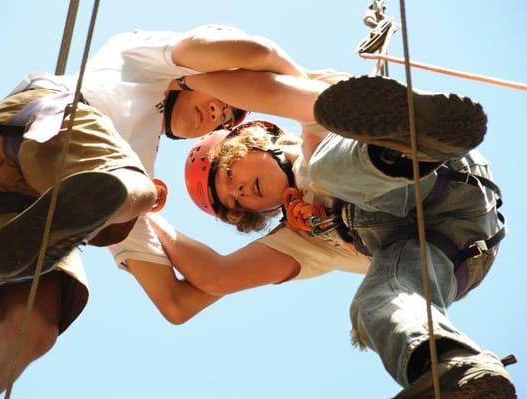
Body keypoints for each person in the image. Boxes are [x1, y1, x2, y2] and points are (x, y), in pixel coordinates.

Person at [0, 25, 306, 399]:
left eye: (225, 118)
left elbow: (175, 304)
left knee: (35, 326)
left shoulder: (136, 172)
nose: (217, 112)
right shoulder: (147, 64)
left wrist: (276, 243)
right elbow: (254, 50)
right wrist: (306, 95)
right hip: (43, 124)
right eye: (222, 98)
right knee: (134, 189)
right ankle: (99, 203)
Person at [140, 75, 517, 397]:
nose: (239, 192)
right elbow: (212, 277)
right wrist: (139, 205)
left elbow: (272, 82)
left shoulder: (316, 127)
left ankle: (408, 145)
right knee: (374, 304)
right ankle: (453, 368)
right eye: (234, 203)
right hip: (451, 251)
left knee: (320, 166)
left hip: (446, 177)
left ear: (254, 141)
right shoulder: (298, 241)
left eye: (228, 175)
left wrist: (187, 78)